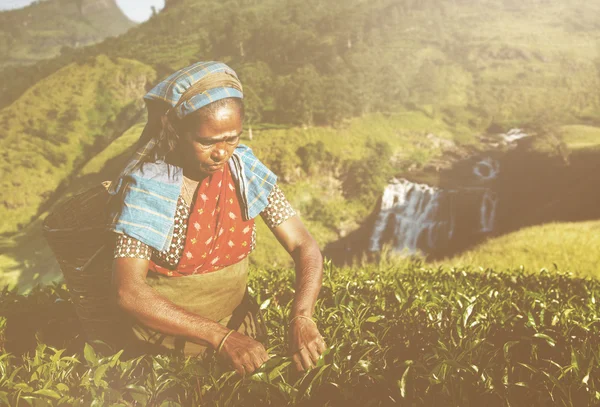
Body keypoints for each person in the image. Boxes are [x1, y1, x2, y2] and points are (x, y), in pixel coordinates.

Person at [108, 61, 326, 375]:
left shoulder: (244, 170)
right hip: (165, 344)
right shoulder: (151, 186)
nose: (221, 153)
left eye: (231, 139)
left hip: (240, 331)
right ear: (178, 131)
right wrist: (220, 337)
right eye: (207, 141)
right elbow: (127, 292)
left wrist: (302, 316)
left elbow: (303, 244)